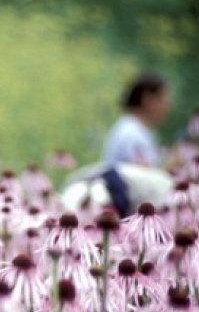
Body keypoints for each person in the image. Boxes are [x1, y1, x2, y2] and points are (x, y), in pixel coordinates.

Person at [59, 72, 174, 217]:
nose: (168, 105)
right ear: (148, 99)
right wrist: (170, 170)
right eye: (164, 99)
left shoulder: (133, 128)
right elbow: (143, 179)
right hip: (120, 208)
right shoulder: (133, 134)